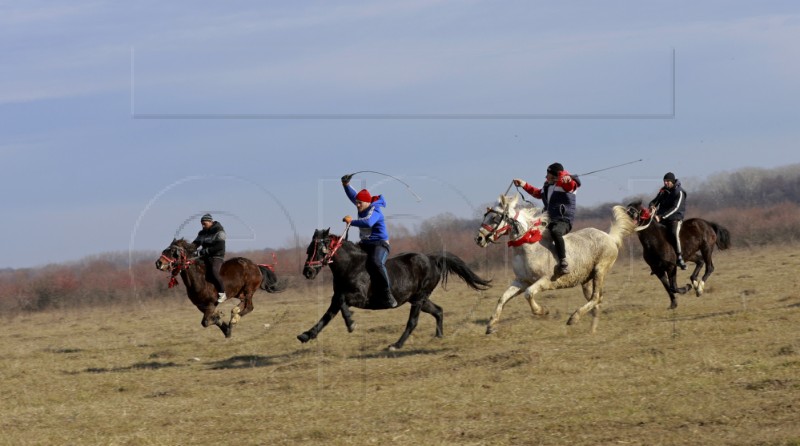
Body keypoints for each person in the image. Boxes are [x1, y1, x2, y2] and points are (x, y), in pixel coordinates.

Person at [513, 162, 581, 275]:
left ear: (554, 175)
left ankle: (563, 262)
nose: (546, 176)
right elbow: (537, 193)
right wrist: (523, 184)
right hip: (549, 219)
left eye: (548, 174)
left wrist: (567, 179)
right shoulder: (547, 185)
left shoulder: (565, 184)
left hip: (563, 220)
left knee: (555, 232)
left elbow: (571, 185)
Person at [341, 174, 397, 309]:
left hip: (380, 244)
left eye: (360, 203)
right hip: (365, 244)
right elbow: (352, 195)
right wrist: (345, 184)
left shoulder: (375, 210)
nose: (357, 205)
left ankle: (388, 294)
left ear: (367, 202)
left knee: (376, 262)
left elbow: (368, 222)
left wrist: (351, 222)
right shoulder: (362, 204)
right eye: (357, 202)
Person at [649, 172, 688, 270]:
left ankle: (679, 257)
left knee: (673, 233)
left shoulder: (679, 192)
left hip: (675, 218)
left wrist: (661, 217)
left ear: (672, 181)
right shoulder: (663, 191)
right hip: (661, 218)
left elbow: (676, 208)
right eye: (664, 181)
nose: (665, 183)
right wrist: (652, 206)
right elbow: (654, 201)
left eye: (667, 181)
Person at [192, 213, 228, 303]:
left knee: (214, 271)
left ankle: (222, 293)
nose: (203, 226)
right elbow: (195, 244)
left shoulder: (219, 231)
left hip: (217, 256)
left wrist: (203, 251)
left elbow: (219, 247)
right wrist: (186, 249)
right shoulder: (202, 233)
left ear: (211, 222)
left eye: (205, 223)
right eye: (202, 224)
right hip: (205, 256)